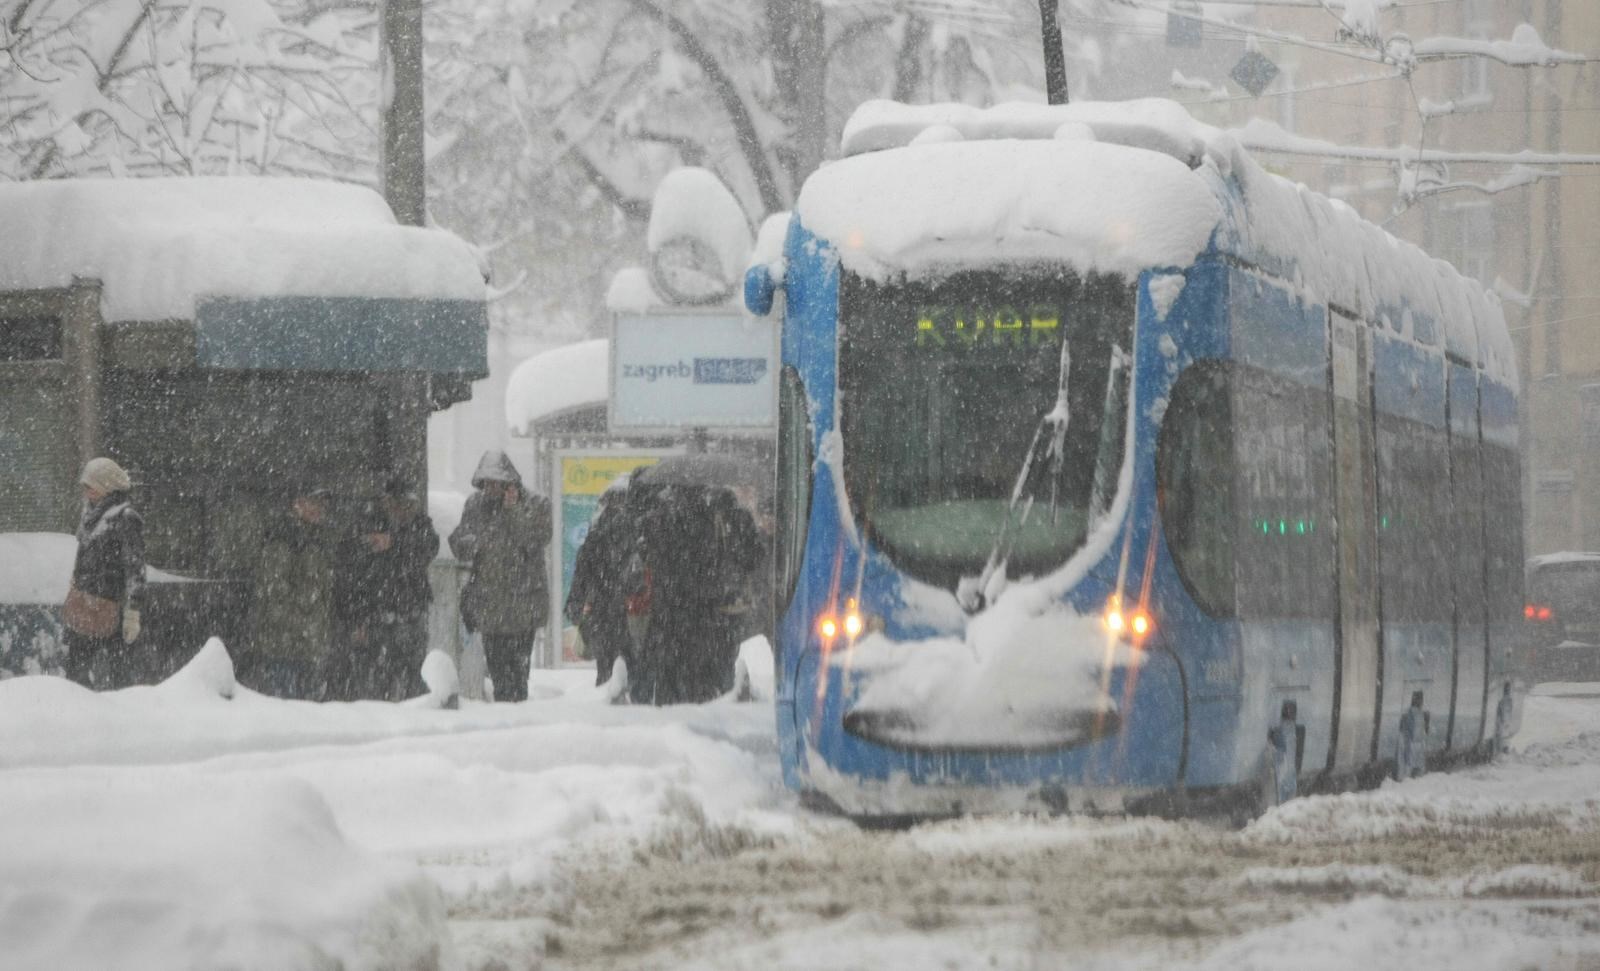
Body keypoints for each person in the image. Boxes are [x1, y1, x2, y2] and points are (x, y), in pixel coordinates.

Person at [448, 452, 551, 703]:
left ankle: (517, 713)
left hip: (523, 607)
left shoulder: (536, 504)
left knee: (518, 674)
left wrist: (513, 511)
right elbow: (459, 542)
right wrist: (473, 543)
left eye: (497, 483)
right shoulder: (475, 505)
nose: (491, 489)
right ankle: (507, 710)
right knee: (498, 672)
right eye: (487, 483)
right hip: (490, 606)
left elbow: (535, 540)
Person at [240, 487, 338, 700]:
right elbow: (275, 588)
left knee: (305, 704)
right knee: (287, 703)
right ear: (297, 504)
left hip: (308, 644)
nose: (320, 509)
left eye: (322, 504)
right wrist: (304, 605)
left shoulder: (318, 539)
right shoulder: (283, 538)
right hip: (285, 644)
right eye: (313, 503)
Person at [61, 457, 146, 690]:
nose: (87, 492)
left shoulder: (125, 517)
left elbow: (135, 569)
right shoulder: (89, 514)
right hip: (85, 604)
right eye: (85, 487)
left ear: (107, 484)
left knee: (118, 675)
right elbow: (82, 557)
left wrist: (133, 612)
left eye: (91, 486)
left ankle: (116, 718)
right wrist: (76, 585)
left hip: (111, 607)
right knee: (75, 670)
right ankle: (83, 715)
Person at [566, 477, 634, 686]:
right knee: (632, 664)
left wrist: (575, 604)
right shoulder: (640, 529)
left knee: (605, 665)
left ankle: (607, 695)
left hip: (601, 611)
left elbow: (583, 571)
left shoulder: (597, 532)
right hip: (631, 610)